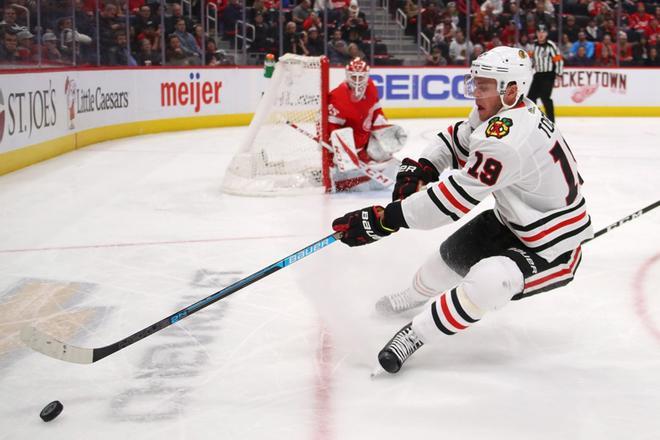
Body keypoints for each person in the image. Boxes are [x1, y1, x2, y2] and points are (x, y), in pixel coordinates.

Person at [330, 46, 593, 374]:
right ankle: (412, 295)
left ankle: (415, 334)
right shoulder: (500, 115)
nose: (475, 93)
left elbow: (453, 200)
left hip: (552, 246)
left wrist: (386, 220)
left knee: (488, 283)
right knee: (445, 263)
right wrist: (423, 166)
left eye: (483, 86)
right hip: (511, 220)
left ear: (510, 90)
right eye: (476, 83)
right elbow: (456, 139)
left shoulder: (508, 139)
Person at [327, 57, 407, 191]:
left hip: (364, 143)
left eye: (361, 77)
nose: (357, 81)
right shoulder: (337, 96)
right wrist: (338, 151)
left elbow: (377, 112)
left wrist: (383, 130)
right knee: (348, 178)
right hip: (348, 148)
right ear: (347, 75)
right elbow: (332, 128)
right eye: (354, 77)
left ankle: (367, 158)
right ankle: (340, 174)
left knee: (384, 155)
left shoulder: (371, 88)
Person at [528, 24, 562, 122]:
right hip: (538, 75)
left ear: (546, 34)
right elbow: (530, 60)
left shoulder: (551, 45)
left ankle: (551, 121)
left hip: (548, 75)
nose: (541, 34)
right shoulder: (533, 45)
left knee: (545, 97)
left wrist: (559, 73)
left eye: (543, 32)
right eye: (539, 32)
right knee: (530, 98)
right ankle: (534, 118)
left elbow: (558, 60)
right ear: (536, 33)